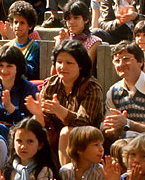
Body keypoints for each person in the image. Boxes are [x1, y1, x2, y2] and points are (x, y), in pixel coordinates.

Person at [26, 39, 104, 167]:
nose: (63, 67)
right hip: (54, 134)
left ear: (80, 65)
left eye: (69, 63)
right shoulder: (50, 85)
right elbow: (45, 120)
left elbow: (85, 121)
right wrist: (38, 114)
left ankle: (66, 177)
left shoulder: (91, 87)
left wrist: (60, 111)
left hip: (87, 137)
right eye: (59, 62)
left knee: (67, 132)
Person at [0, 45, 39, 140]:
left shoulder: (29, 88)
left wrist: (11, 109)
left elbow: (30, 123)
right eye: (0, 65)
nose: (4, 70)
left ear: (18, 68)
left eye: (9, 66)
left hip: (16, 134)